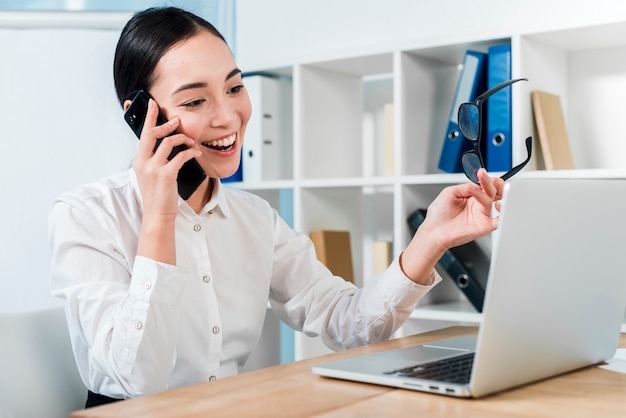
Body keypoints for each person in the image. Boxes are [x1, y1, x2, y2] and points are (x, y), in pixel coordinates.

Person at [49, 6, 504, 408]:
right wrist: (161, 216)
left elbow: (349, 325)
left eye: (233, 88)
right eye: (194, 100)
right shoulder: (86, 216)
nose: (228, 116)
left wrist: (431, 239)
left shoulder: (254, 219)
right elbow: (139, 381)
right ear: (142, 116)